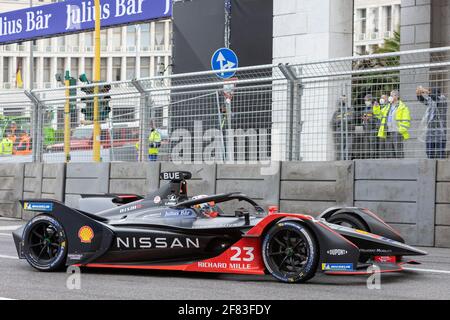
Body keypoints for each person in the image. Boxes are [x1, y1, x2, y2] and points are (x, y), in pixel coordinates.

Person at [377, 90, 411, 158]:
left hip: (397, 132)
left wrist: (400, 130)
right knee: (389, 152)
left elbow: (406, 120)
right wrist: (376, 107)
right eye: (390, 95)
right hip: (388, 132)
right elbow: (379, 115)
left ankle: (400, 166)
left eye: (392, 95)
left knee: (398, 152)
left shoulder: (403, 107)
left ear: (397, 96)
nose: (390, 97)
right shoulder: (387, 107)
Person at [416, 86, 447, 159]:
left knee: (440, 155)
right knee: (429, 154)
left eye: (431, 91)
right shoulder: (431, 100)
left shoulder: (442, 99)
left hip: (440, 134)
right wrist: (419, 94)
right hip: (430, 133)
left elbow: (435, 98)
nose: (429, 92)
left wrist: (425, 90)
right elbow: (423, 100)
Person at [331, 94, 355, 160]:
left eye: (345, 99)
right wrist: (344, 118)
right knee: (340, 150)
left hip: (349, 133)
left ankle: (347, 163)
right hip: (340, 133)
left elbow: (351, 119)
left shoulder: (350, 110)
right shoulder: (336, 112)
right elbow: (334, 122)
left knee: (348, 150)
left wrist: (341, 119)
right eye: (342, 99)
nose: (343, 100)